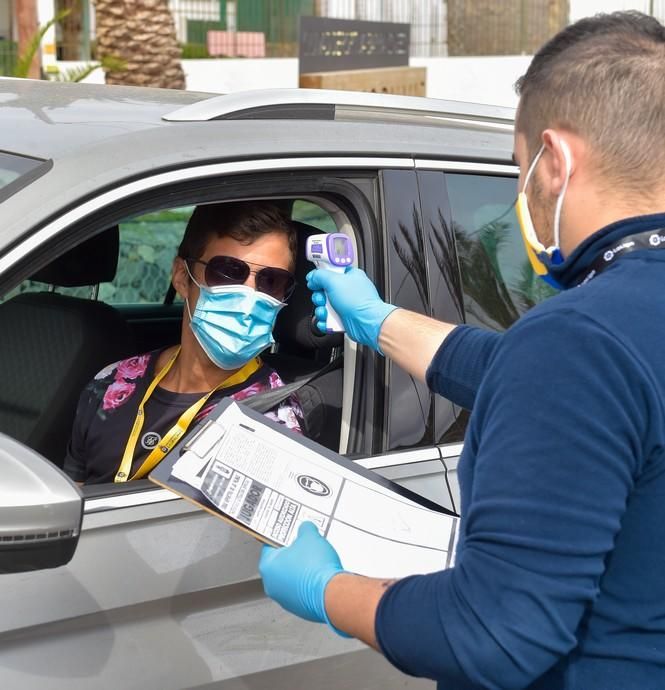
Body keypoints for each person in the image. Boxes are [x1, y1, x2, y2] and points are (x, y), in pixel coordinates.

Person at [258, 12, 665, 690]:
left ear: (553, 161)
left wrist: (329, 592)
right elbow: (537, 374)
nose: (521, 192)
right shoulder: (606, 332)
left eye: (518, 169)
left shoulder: (579, 341)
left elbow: (488, 636)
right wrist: (378, 319)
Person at [64, 201, 304, 485]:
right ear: (181, 276)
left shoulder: (275, 419)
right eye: (227, 272)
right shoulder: (110, 382)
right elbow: (72, 498)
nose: (248, 296)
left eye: (271, 281)